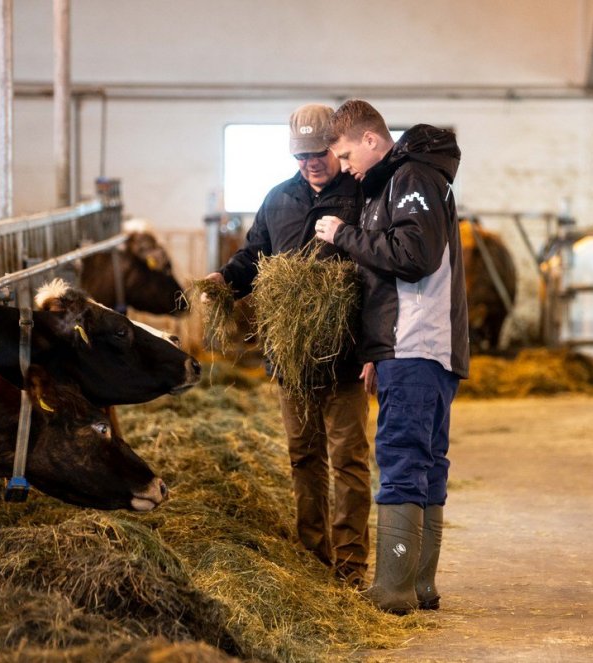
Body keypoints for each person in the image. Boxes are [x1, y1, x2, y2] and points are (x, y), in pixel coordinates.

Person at [202, 104, 371, 587]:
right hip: (291, 359)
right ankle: (312, 554)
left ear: (335, 146)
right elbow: (254, 256)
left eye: (318, 153)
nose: (311, 163)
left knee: (350, 460)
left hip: (344, 354)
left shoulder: (361, 194)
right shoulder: (279, 200)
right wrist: (223, 280)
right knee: (303, 456)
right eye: (302, 156)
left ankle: (351, 564)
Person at [314, 100, 469, 614]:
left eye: (344, 153)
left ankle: (393, 589)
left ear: (370, 140)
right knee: (427, 464)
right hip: (417, 347)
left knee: (402, 462)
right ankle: (419, 585)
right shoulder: (407, 180)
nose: (343, 165)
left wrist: (344, 234)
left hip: (417, 345)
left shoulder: (410, 179)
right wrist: (377, 350)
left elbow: (412, 256)